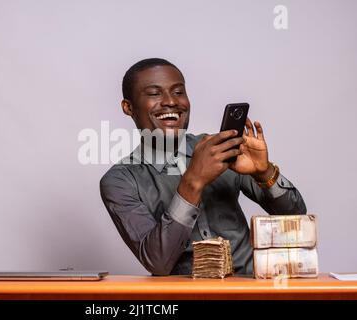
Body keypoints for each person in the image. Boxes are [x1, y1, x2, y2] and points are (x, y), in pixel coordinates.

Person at [100, 58, 306, 275]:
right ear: (128, 107)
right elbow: (158, 262)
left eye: (179, 92)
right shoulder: (120, 181)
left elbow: (296, 218)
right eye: (154, 93)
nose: (171, 101)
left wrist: (264, 173)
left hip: (249, 292)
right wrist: (193, 181)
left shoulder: (218, 149)